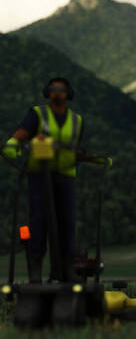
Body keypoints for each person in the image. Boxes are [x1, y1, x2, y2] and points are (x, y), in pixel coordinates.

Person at [1, 77, 103, 283]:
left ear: (68, 93)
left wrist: (92, 159)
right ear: (48, 92)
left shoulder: (77, 121)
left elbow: (74, 149)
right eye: (54, 88)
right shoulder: (38, 114)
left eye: (61, 89)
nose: (57, 92)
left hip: (66, 177)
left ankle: (64, 271)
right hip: (40, 176)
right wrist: (12, 144)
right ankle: (35, 273)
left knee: (67, 224)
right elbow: (22, 133)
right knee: (38, 222)